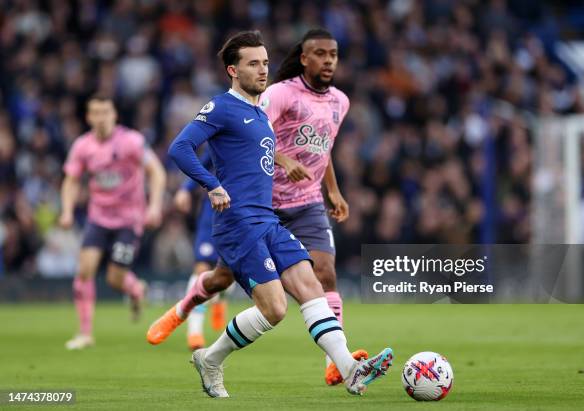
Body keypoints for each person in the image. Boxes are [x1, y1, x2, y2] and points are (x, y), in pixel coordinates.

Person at [164, 30, 392, 398]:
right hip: (238, 224)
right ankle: (211, 359)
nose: (262, 69)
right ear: (232, 70)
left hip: (266, 219)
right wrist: (212, 185)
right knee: (275, 309)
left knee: (311, 285)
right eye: (253, 63)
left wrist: (328, 186)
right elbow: (181, 147)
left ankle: (349, 368)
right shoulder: (222, 107)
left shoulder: (259, 112)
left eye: (266, 62)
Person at [60, 94, 166, 350]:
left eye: (105, 112)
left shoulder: (132, 141)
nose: (101, 118)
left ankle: (135, 289)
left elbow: (157, 172)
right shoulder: (82, 146)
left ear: (114, 115)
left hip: (129, 220)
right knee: (84, 271)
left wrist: (154, 206)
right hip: (98, 218)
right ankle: (85, 333)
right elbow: (71, 180)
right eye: (96, 113)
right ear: (88, 117)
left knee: (114, 278)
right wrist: (66, 210)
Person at [173, 148, 232, 350]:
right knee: (202, 268)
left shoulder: (258, 136)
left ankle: (220, 299)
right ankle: (195, 332)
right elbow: (201, 164)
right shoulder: (220, 138)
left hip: (242, 214)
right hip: (213, 213)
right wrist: (185, 189)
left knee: (230, 271)